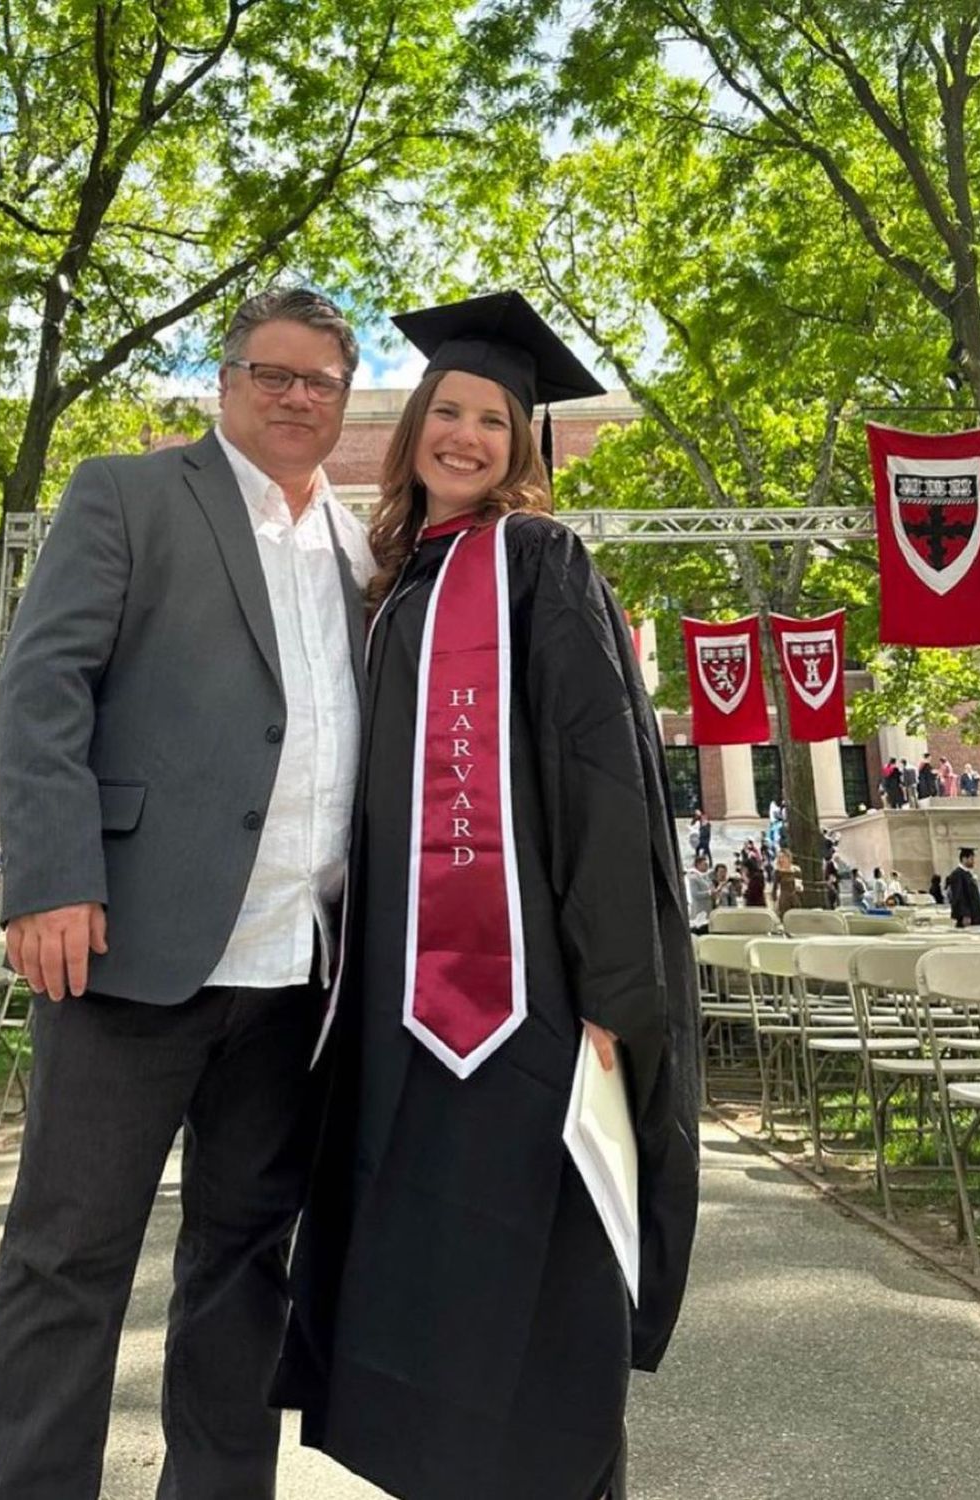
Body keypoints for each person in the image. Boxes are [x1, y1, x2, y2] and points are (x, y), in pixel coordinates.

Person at [273, 292, 699, 1500]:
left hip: (524, 1003)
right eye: (447, 412)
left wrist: (617, 993)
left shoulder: (539, 562)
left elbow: (600, 778)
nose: (466, 437)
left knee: (536, 1299)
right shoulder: (397, 582)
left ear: (522, 447)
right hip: (402, 1006)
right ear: (413, 426)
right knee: (429, 1294)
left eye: (495, 423)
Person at [0, 287, 373, 1500]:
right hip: (126, 949)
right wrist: (50, 878)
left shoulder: (366, 546)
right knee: (67, 1259)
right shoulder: (130, 495)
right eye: (274, 374)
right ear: (228, 378)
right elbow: (42, 691)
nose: (297, 398)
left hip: (298, 973)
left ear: (343, 400)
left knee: (247, 1263)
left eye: (320, 382)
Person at [946, 847, 980, 928]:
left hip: (975, 914)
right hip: (969, 916)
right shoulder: (957, 874)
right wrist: (965, 915)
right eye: (971, 859)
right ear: (964, 859)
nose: (973, 862)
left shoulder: (967, 874)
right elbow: (959, 896)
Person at [687, 854, 714, 933]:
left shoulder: (706, 877)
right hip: (699, 911)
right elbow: (695, 894)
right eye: (705, 865)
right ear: (698, 865)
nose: (706, 866)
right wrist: (709, 893)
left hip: (707, 909)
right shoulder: (693, 877)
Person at [772, 848, 801, 918]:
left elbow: (800, 885)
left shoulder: (796, 870)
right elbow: (774, 888)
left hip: (794, 898)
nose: (781, 860)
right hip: (784, 899)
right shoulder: (778, 872)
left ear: (788, 858)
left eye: (783, 857)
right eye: (779, 857)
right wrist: (775, 902)